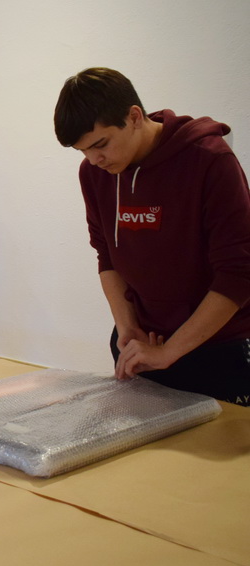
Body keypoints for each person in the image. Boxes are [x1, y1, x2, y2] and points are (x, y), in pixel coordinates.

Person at [54, 67, 250, 405]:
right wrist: (126, 326)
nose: (94, 160)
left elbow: (239, 272)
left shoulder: (209, 160)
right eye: (82, 151)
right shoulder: (94, 173)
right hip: (142, 343)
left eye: (101, 144)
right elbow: (106, 255)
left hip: (217, 348)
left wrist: (171, 351)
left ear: (133, 117)